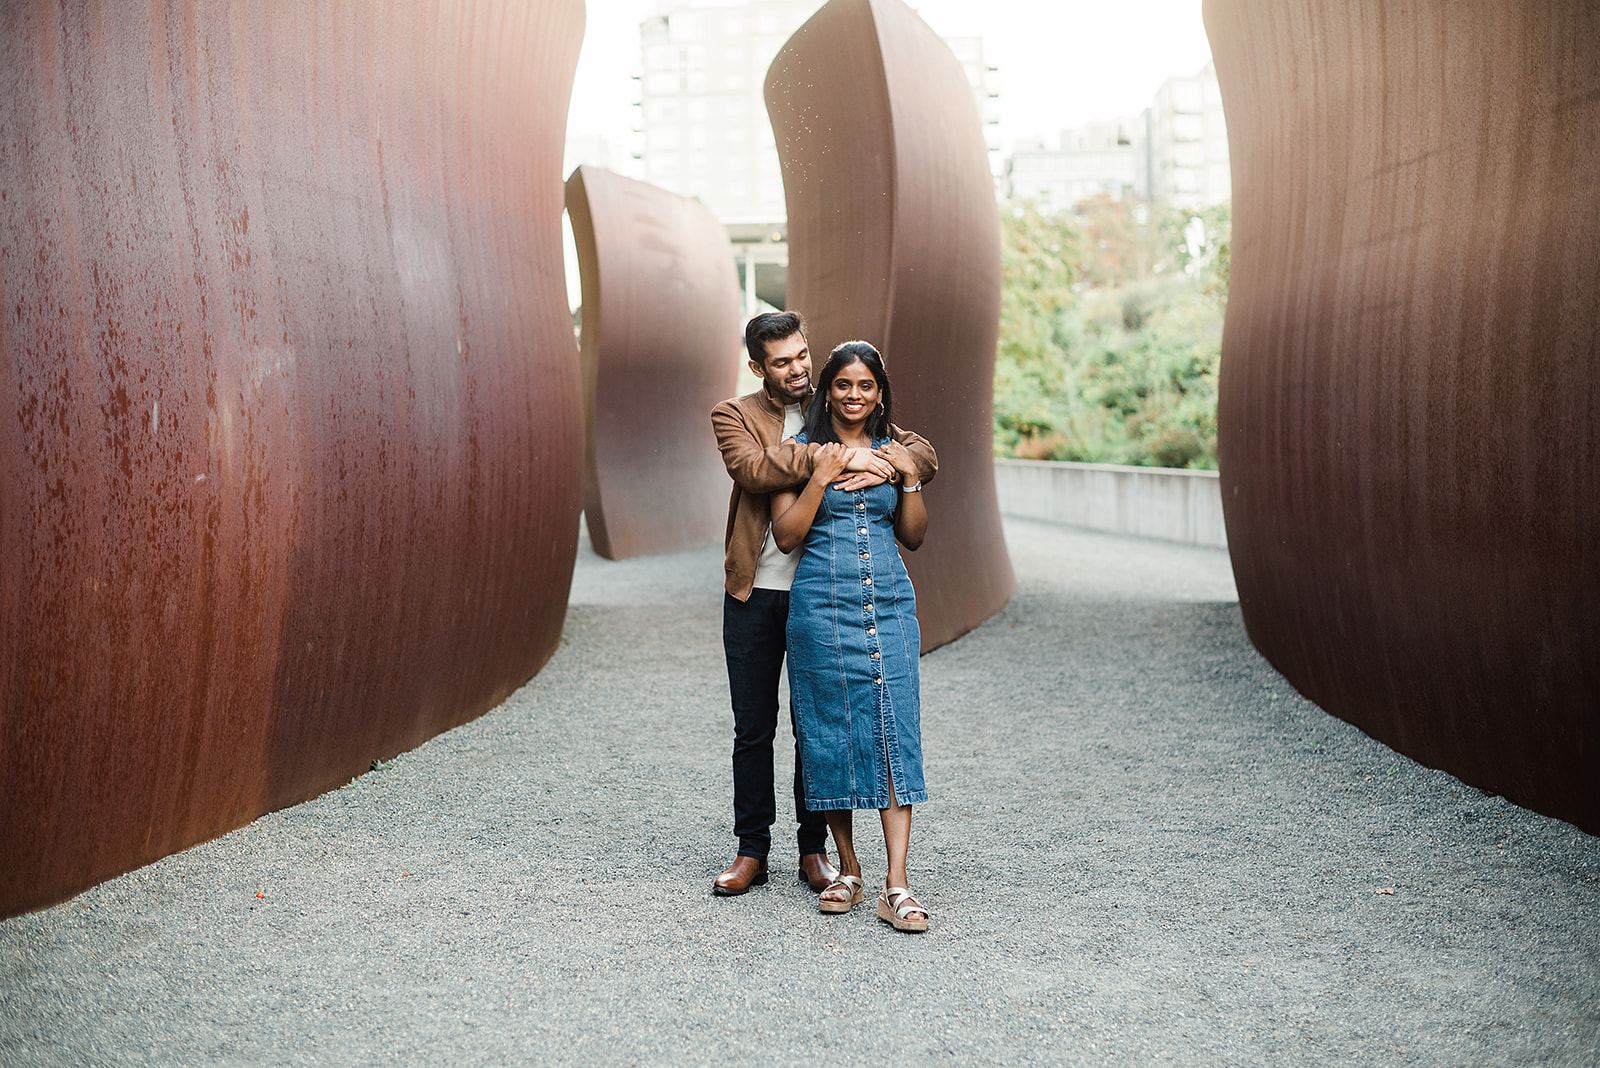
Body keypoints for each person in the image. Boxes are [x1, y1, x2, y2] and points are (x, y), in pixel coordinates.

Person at [709, 312, 938, 897]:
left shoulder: (840, 399)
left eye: (802, 355)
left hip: (830, 592)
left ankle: (816, 851)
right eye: (781, 361)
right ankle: (751, 850)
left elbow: (920, 453)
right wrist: (838, 461)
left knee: (818, 726)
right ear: (758, 367)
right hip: (758, 588)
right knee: (754, 728)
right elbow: (755, 468)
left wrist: (889, 461)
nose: (797, 368)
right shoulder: (736, 415)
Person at [768, 340, 931, 932]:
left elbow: (913, 536)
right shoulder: (800, 453)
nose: (854, 395)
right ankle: (849, 869)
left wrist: (908, 476)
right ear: (826, 391)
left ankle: (898, 884)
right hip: (821, 607)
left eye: (866, 385)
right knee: (830, 730)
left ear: (879, 392)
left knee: (893, 727)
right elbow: (786, 536)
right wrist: (824, 475)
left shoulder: (898, 453)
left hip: (888, 603)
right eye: (843, 385)